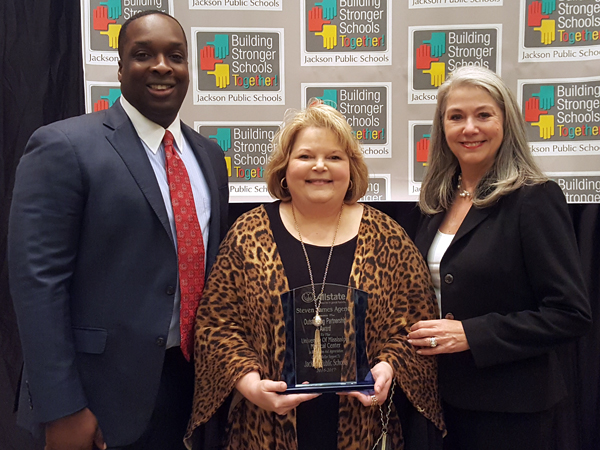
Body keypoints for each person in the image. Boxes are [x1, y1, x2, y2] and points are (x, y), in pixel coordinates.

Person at [8, 10, 228, 450]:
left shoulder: (209, 155)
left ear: (189, 69)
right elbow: (37, 286)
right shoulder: (63, 147)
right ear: (121, 66)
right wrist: (61, 407)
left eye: (176, 56)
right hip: (97, 400)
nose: (162, 66)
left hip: (193, 391)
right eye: (143, 54)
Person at [185, 101, 444, 450]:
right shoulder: (248, 235)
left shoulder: (387, 236)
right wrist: (250, 386)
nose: (320, 166)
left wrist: (389, 368)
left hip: (362, 428)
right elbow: (215, 326)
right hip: (266, 427)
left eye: (335, 157)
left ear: (351, 168)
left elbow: (415, 325)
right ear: (284, 168)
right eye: (306, 156)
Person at [407, 66, 591, 450]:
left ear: (506, 122)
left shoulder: (534, 198)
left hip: (512, 414)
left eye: (483, 115)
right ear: (442, 129)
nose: (469, 127)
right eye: (456, 117)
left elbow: (569, 314)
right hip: (443, 402)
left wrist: (471, 335)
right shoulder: (436, 203)